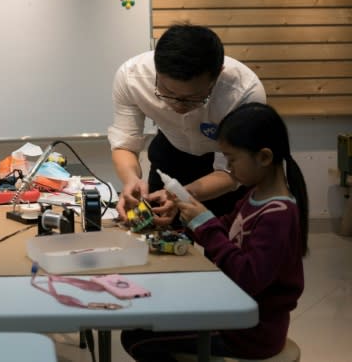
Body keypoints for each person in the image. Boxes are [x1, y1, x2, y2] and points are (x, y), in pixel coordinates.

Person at [121, 102, 308, 360]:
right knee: (153, 311)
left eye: (232, 160)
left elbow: (248, 278)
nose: (229, 169)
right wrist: (183, 221)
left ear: (264, 157)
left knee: (136, 338)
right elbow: (226, 229)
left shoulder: (279, 214)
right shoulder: (256, 196)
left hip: (250, 332)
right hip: (233, 313)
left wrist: (205, 224)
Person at [109, 23, 266, 225]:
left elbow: (231, 172)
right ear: (156, 68)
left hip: (229, 164)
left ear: (217, 74)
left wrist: (181, 194)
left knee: (224, 243)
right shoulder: (132, 77)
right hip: (172, 152)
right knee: (159, 232)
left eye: (193, 97)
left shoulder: (244, 93)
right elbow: (125, 144)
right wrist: (131, 180)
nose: (178, 105)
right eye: (168, 93)